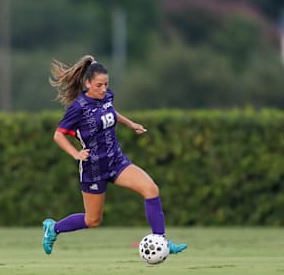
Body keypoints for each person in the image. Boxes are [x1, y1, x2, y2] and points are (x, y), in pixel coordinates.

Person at [41, 55, 187, 257]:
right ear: (87, 83)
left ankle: (161, 241)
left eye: (106, 84)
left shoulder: (107, 96)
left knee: (151, 189)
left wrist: (131, 123)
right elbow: (59, 135)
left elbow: (111, 113)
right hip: (94, 168)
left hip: (116, 161)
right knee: (93, 220)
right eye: (99, 85)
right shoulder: (78, 107)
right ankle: (54, 228)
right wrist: (75, 153)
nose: (103, 89)